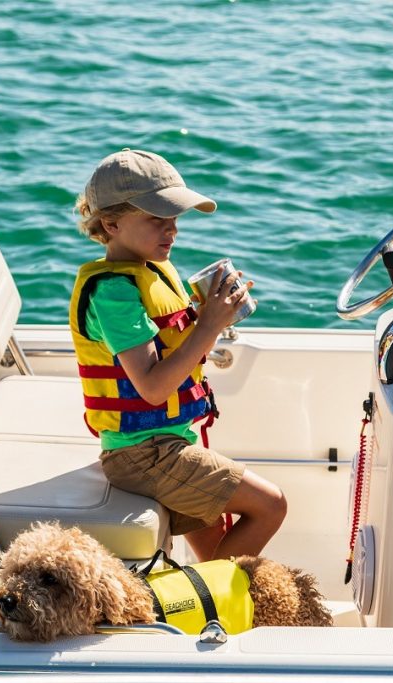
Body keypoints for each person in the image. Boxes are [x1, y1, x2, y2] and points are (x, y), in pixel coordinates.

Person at [69, 148, 286, 562]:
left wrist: (208, 315)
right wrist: (209, 327)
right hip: (141, 454)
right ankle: (206, 595)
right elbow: (152, 388)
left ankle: (208, 597)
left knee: (217, 550)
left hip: (169, 440)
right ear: (111, 224)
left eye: (174, 218)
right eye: (157, 218)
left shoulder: (151, 268)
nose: (171, 230)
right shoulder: (113, 293)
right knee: (271, 505)